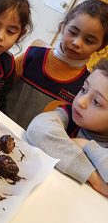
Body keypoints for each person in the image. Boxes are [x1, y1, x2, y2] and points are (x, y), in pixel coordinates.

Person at [5, 0, 108, 129]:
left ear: (100, 46)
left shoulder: (86, 87)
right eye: (73, 32)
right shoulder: (33, 55)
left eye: (88, 41)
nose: (77, 42)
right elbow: (1, 82)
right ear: (63, 27)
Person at [26, 58, 108, 197]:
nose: (81, 101)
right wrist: (94, 178)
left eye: (96, 101)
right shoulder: (71, 116)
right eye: (83, 89)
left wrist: (88, 145)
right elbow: (38, 129)